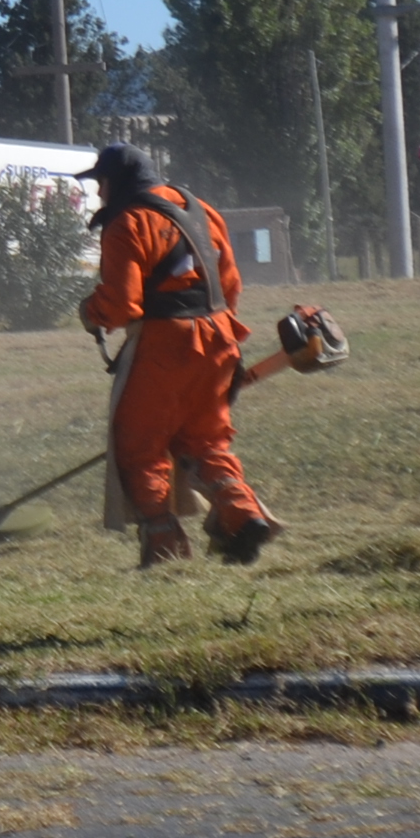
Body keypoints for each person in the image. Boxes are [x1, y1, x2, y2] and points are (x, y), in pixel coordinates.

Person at [76, 143, 279, 569]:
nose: (98, 195)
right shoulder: (201, 210)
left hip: (165, 342)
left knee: (141, 446)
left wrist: (89, 312)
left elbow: (120, 305)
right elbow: (231, 285)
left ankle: (164, 548)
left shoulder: (126, 223)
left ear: (115, 182)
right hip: (220, 336)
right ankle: (241, 515)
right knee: (205, 440)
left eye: (100, 184)